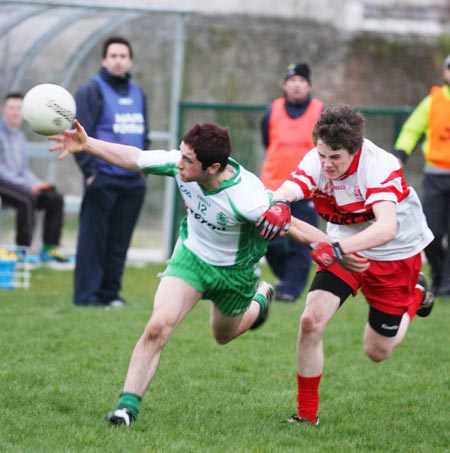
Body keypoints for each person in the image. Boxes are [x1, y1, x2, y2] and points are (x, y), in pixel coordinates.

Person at [49, 120, 366, 425]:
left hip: (235, 274)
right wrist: (87, 144)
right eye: (181, 155)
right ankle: (126, 410)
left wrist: (340, 250)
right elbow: (135, 158)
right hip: (192, 258)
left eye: (188, 161)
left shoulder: (248, 198)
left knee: (223, 335)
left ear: (213, 168)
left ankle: (260, 302)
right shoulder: (180, 164)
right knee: (158, 327)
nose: (180, 164)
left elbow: (294, 225)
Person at [258, 104, 435, 425]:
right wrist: (279, 202)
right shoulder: (319, 158)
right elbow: (292, 186)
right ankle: (306, 415)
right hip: (344, 246)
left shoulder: (379, 166)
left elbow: (386, 228)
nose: (327, 164)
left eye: (335, 157)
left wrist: (336, 249)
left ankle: (416, 296)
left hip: (394, 253)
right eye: (322, 155)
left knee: (377, 351)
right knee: (310, 320)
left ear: (356, 150)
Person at [73, 36, 150, 308]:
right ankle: (87, 297)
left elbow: (145, 134)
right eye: (113, 56)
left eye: (123, 56)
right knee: (94, 241)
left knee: (119, 243)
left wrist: (144, 172)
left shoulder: (138, 92)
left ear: (130, 61)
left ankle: (110, 294)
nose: (118, 60)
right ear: (105, 60)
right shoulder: (91, 90)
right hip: (102, 178)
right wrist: (90, 171)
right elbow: (79, 135)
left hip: (133, 181)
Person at [260, 62, 323, 302]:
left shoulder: (319, 111)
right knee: (270, 241)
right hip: (274, 188)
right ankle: (288, 278)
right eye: (292, 81)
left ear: (308, 86)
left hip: (306, 189)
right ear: (285, 85)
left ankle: (290, 290)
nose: (296, 85)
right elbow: (267, 140)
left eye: (301, 81)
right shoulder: (272, 111)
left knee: (301, 243)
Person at [393, 55, 450, 297]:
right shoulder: (433, 101)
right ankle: (439, 275)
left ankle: (446, 285)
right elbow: (412, 129)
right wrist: (400, 155)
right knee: (433, 233)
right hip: (435, 175)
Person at [0, 92, 71, 263]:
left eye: (19, 108)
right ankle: (23, 250)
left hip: (19, 185)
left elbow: (23, 169)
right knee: (27, 198)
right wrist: (28, 186)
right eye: (12, 108)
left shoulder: (20, 137)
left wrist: (38, 183)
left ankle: (50, 248)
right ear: (4, 111)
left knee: (54, 198)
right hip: (3, 183)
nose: (16, 112)